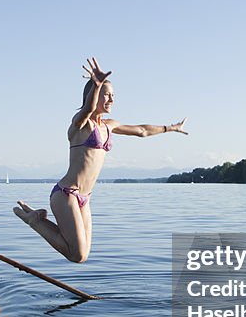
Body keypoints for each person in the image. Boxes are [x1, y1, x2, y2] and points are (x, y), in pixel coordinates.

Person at [14, 57, 187, 263]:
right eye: (107, 95)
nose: (112, 100)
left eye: (113, 95)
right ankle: (34, 222)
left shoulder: (109, 125)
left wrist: (171, 128)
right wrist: (96, 86)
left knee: (82, 256)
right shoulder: (80, 125)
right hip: (66, 194)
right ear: (93, 96)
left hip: (84, 198)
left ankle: (35, 219)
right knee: (76, 255)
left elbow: (142, 131)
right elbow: (87, 110)